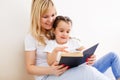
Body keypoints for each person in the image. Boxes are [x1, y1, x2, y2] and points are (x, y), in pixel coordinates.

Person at [24, 0, 120, 80]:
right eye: (45, 17)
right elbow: (29, 68)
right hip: (49, 76)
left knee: (112, 58)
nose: (51, 20)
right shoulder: (31, 37)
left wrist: (90, 58)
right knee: (88, 71)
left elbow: (79, 48)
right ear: (36, 17)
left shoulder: (60, 30)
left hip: (70, 70)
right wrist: (51, 70)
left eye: (53, 15)